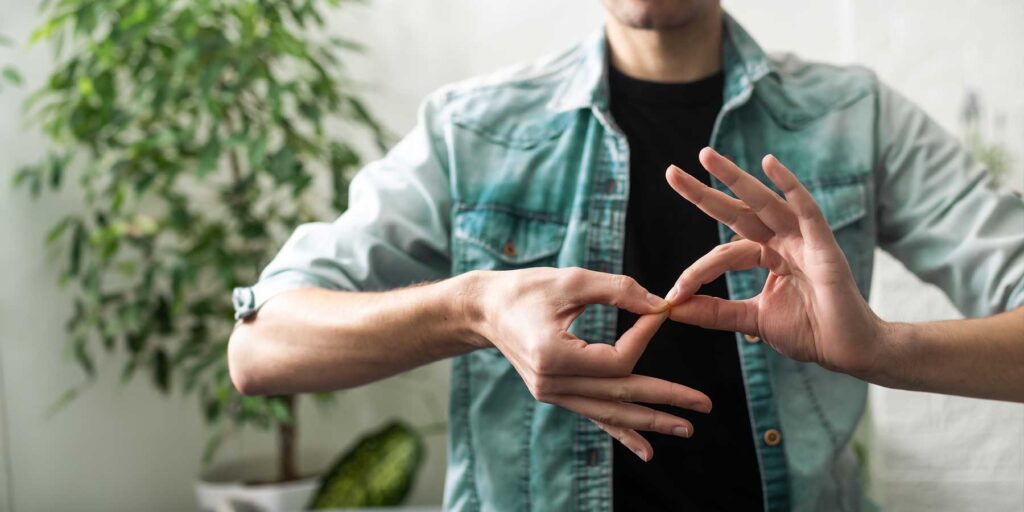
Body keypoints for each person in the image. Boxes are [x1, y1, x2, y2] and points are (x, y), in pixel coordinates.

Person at [227, 0, 1024, 510]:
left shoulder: (859, 118)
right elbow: (261, 348)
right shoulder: (470, 131)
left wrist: (882, 348)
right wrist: (469, 309)